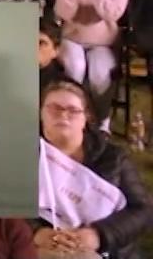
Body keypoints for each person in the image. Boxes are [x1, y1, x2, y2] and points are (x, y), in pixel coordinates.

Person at [37, 78, 153, 258]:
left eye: (73, 110)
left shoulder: (113, 157)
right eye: (54, 108)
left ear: (86, 118)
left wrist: (98, 235)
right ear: (40, 113)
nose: (63, 115)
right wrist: (37, 233)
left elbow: (142, 210)